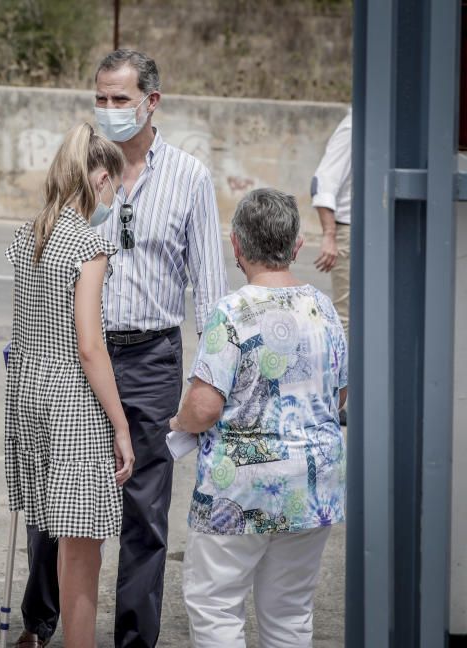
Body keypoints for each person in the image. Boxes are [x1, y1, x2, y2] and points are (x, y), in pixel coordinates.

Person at [15, 50, 228, 648]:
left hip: (150, 359)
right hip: (74, 357)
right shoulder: (78, 167)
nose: (107, 111)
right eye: (100, 99)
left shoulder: (188, 177)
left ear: (151, 102)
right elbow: (46, 256)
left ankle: (134, 640)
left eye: (119, 99)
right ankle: (40, 622)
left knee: (145, 514)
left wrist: (210, 377)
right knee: (60, 502)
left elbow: (210, 289)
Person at [171, 188, 347, 647]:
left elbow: (204, 407)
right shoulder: (323, 309)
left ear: (236, 245)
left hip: (240, 487)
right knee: (290, 611)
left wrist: (179, 423)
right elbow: (341, 394)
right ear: (296, 245)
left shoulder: (231, 312)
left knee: (216, 606)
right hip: (312, 487)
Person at [5, 123, 136, 647]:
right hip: (73, 405)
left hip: (28, 394)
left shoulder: (29, 232)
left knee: (58, 534)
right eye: (116, 186)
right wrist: (121, 426)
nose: (117, 196)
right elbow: (90, 344)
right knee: (82, 549)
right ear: (100, 178)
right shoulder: (89, 244)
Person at [311, 106, 352, 425]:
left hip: (368, 231)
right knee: (345, 319)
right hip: (348, 230)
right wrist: (329, 235)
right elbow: (323, 180)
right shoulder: (355, 126)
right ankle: (336, 401)